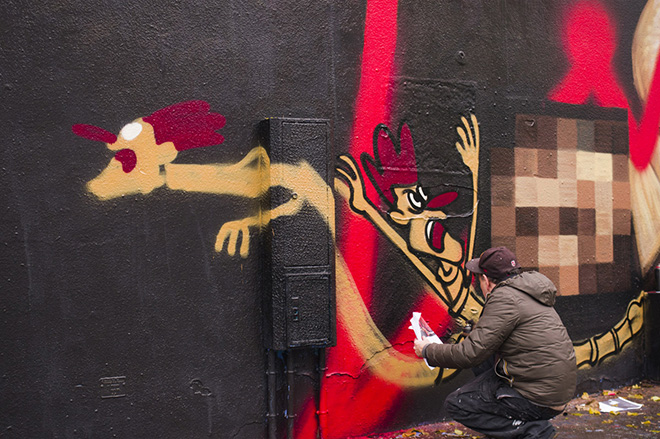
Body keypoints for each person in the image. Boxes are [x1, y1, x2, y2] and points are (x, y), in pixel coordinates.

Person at [414, 246, 577, 439]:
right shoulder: (527, 293)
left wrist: (428, 350)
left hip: (540, 399)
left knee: (458, 404)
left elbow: (469, 354)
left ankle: (535, 431)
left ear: (486, 280)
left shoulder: (504, 299)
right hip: (555, 391)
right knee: (485, 358)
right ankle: (514, 427)